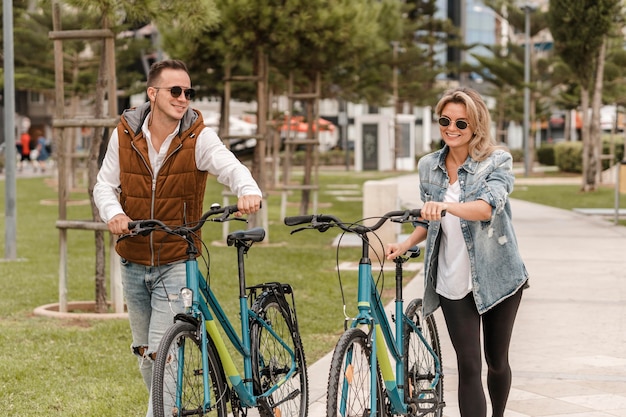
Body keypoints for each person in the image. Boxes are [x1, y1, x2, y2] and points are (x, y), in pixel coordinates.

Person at [94, 59, 262, 416]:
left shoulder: (198, 136)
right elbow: (104, 186)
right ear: (152, 93)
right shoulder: (123, 134)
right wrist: (115, 214)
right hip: (133, 257)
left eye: (188, 92)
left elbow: (228, 164)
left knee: (163, 353)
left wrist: (247, 189)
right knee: (145, 354)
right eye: (175, 90)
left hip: (175, 258)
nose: (183, 98)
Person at [386, 87, 529, 417]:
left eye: (460, 123)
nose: (451, 128)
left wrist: (446, 206)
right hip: (451, 280)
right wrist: (406, 243)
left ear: (476, 125)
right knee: (468, 364)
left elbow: (485, 209)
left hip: (499, 277)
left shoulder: (497, 161)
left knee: (496, 362)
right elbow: (429, 220)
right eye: (445, 120)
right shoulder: (428, 167)